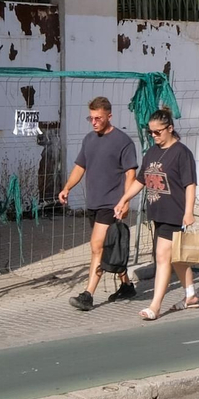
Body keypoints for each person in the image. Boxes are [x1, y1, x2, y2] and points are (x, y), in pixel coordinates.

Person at [115, 107, 198, 321]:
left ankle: (155, 305)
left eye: (158, 132)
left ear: (170, 128)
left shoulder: (182, 153)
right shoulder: (151, 152)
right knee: (175, 258)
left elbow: (190, 184)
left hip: (175, 213)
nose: (154, 136)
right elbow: (141, 181)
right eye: (150, 132)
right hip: (158, 212)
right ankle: (190, 295)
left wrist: (189, 212)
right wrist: (124, 199)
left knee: (162, 257)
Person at [58, 96, 138, 311]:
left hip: (112, 203)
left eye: (98, 118)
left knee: (96, 246)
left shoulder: (123, 142)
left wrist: (126, 200)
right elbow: (79, 167)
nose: (94, 122)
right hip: (93, 202)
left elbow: (131, 173)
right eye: (91, 118)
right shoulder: (89, 140)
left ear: (109, 116)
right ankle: (127, 285)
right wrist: (67, 188)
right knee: (106, 246)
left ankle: (88, 294)